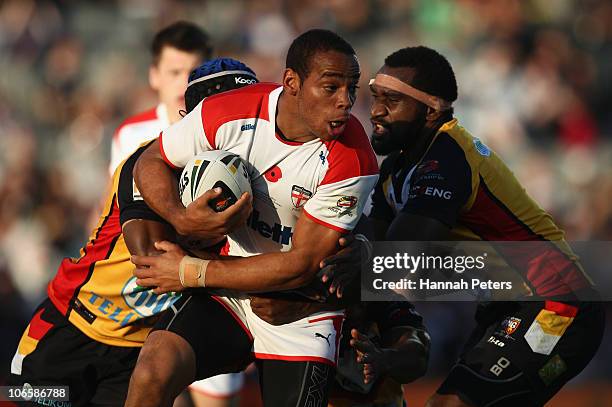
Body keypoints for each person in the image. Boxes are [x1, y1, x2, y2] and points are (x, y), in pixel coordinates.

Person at [124, 29, 379, 407]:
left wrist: (189, 272)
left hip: (300, 309)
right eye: (331, 88)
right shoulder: (226, 112)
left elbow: (300, 265)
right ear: (291, 82)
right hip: (229, 288)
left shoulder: (352, 158)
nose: (346, 101)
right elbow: (150, 161)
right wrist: (181, 218)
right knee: (152, 370)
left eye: (351, 88)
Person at [360, 46, 604, 406]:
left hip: (555, 304)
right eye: (375, 97)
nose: (376, 110)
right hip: (506, 308)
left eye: (392, 100)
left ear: (430, 110)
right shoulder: (396, 170)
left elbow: (393, 260)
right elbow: (371, 258)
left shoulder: (448, 157)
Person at [8, 58, 259, 407]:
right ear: (194, 120)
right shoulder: (149, 165)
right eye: (231, 114)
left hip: (136, 353)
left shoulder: (262, 188)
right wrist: (239, 271)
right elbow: (152, 262)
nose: (243, 129)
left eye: (251, 115)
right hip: (72, 329)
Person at [108, 21, 212, 174]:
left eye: (194, 72)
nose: (185, 83)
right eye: (175, 72)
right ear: (154, 75)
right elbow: (112, 196)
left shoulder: (230, 127)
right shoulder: (130, 134)